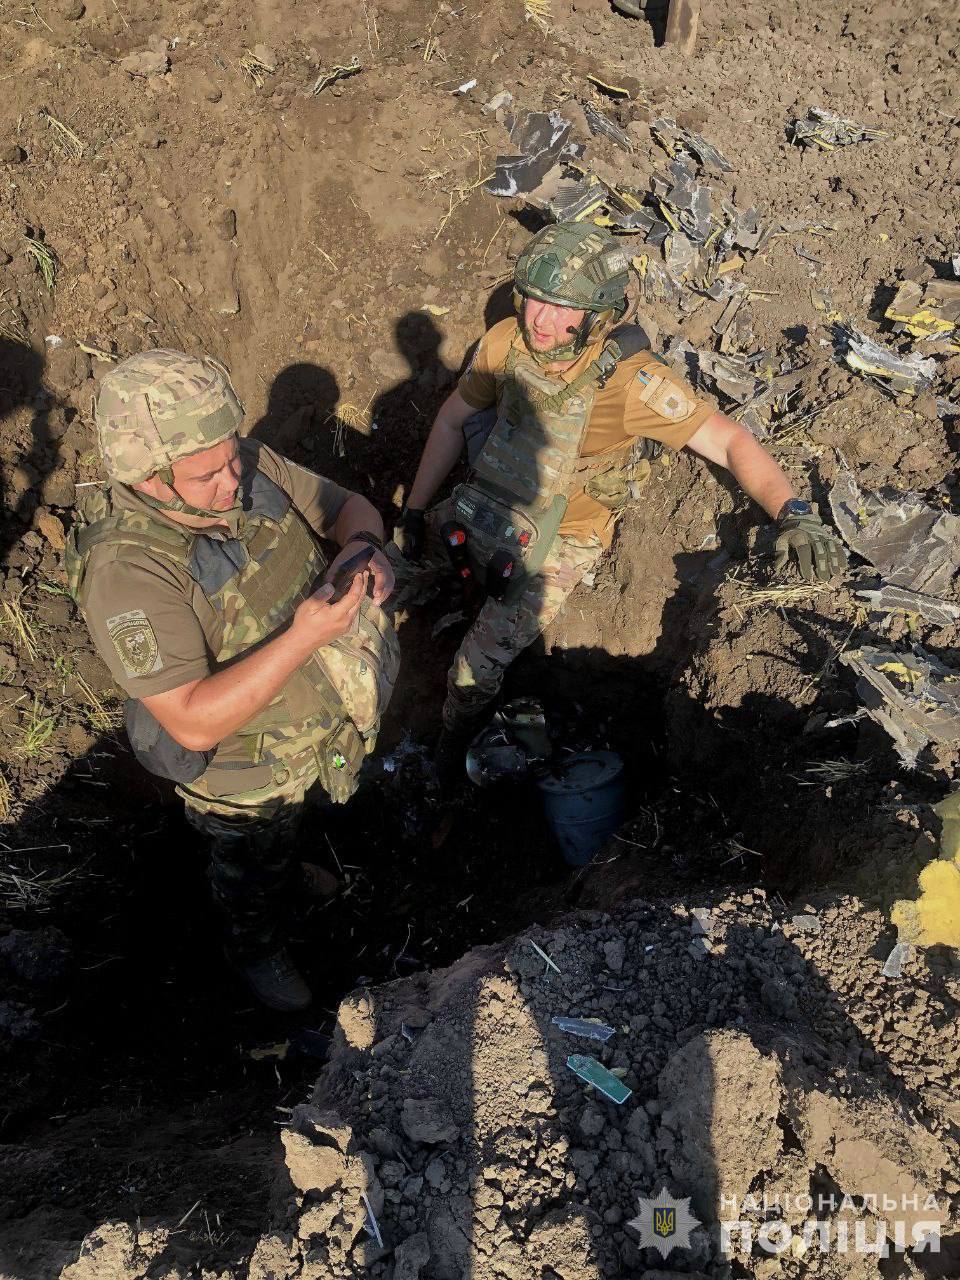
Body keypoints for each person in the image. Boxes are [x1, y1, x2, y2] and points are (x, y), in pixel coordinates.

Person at [398, 221, 845, 782]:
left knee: (472, 672)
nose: (542, 320)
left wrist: (792, 512)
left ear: (597, 316)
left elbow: (730, 442)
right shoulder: (504, 343)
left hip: (562, 538)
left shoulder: (631, 383)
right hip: (482, 506)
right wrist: (414, 512)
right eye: (535, 299)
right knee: (384, 571)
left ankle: (449, 755)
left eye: (563, 309)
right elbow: (451, 420)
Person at [65, 350, 399, 1012]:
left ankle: (289, 875)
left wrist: (366, 551)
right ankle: (255, 947)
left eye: (231, 457)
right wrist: (305, 635)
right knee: (249, 857)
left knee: (295, 825)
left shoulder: (239, 463)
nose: (231, 479)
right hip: (242, 772)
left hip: (314, 718)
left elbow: (348, 507)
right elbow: (190, 719)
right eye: (206, 474)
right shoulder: (127, 573)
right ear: (150, 479)